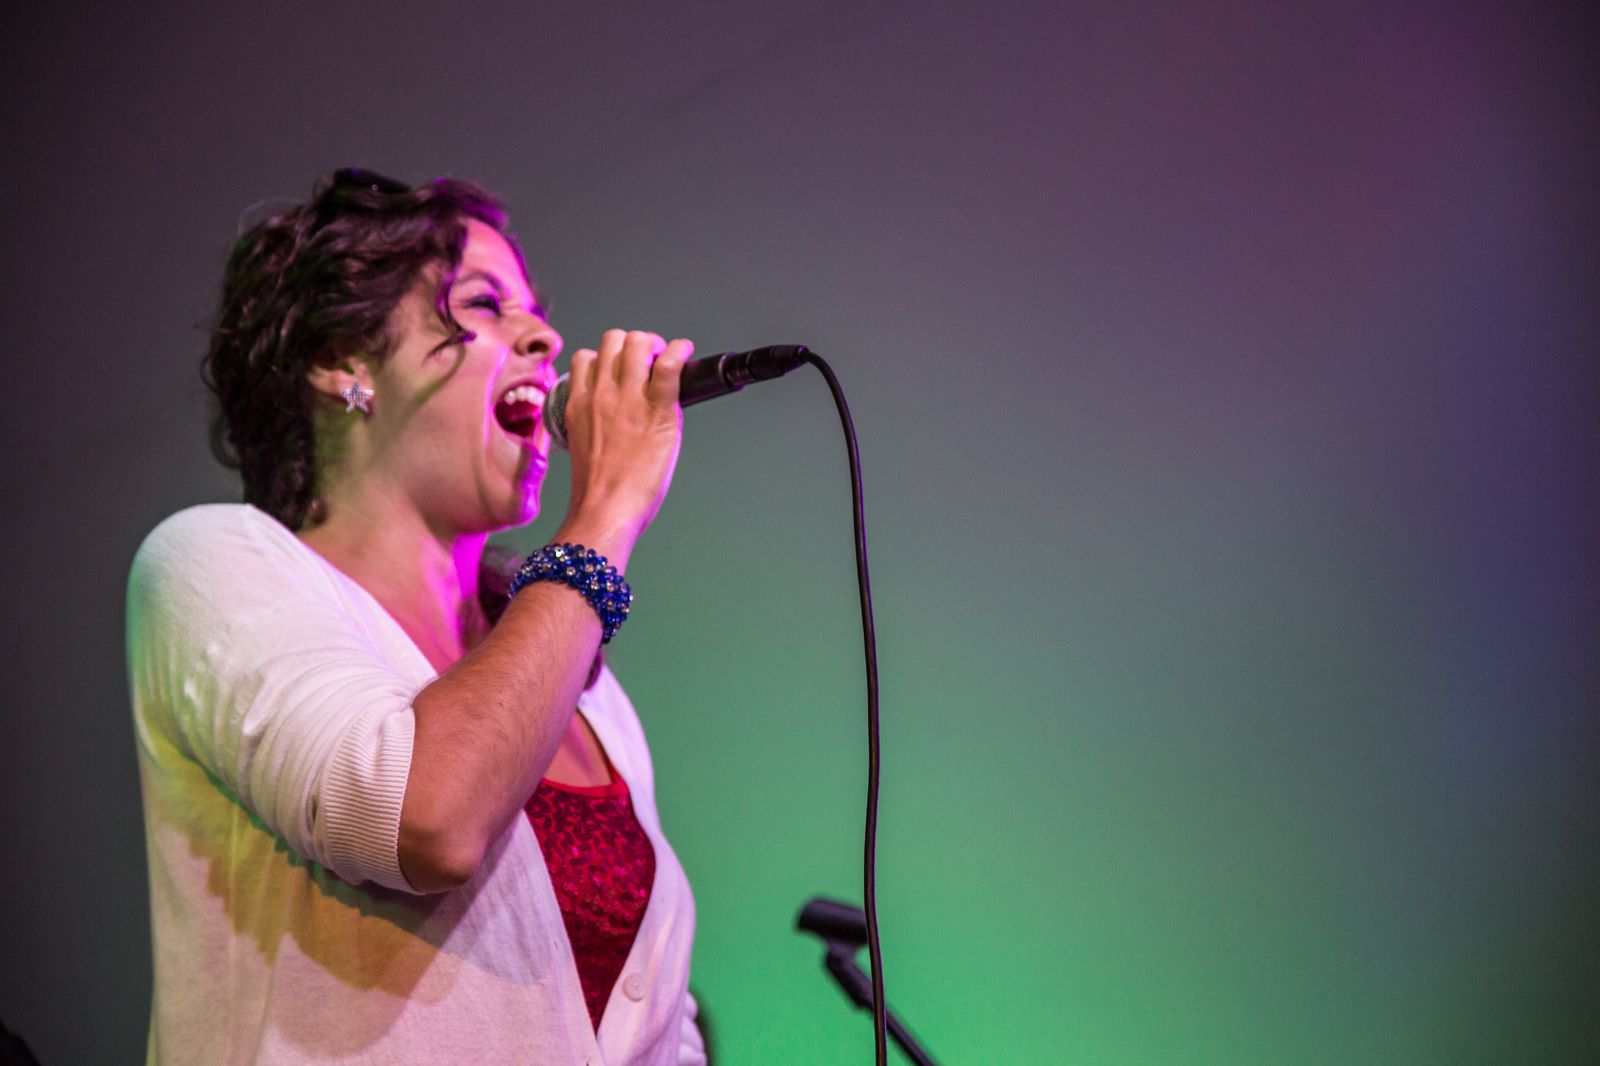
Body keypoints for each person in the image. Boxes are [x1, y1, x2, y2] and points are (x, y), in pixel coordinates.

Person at [126, 167, 705, 1064]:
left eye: (534, 310)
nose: (546, 338)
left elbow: (658, 1021)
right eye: (484, 304)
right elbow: (425, 819)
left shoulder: (584, 685)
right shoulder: (211, 562)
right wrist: (605, 516)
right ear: (343, 361)